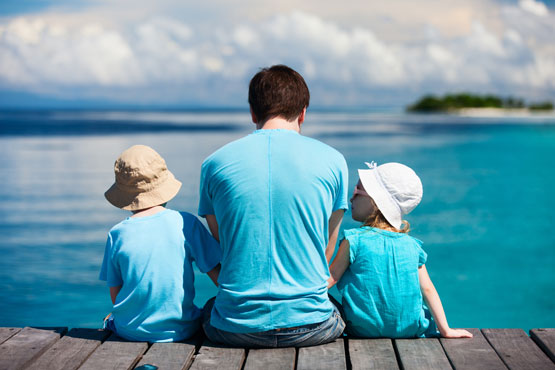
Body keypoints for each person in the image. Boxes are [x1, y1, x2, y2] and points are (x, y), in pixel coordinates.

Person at [199, 65, 348, 348]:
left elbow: (224, 241)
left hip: (235, 327)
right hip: (311, 326)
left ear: (253, 113)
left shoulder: (214, 164)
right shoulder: (334, 161)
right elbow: (327, 247)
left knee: (209, 308)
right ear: (303, 112)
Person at [328, 162, 473, 339]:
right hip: (410, 329)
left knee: (322, 296)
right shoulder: (413, 246)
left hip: (362, 330)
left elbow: (331, 278)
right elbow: (427, 290)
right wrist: (446, 330)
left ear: (374, 200)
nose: (351, 198)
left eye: (357, 191)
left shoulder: (354, 239)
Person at [100, 145, 221, 342]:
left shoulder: (117, 233)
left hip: (130, 331)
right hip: (182, 331)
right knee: (207, 308)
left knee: (111, 318)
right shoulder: (186, 223)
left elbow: (115, 294)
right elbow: (218, 278)